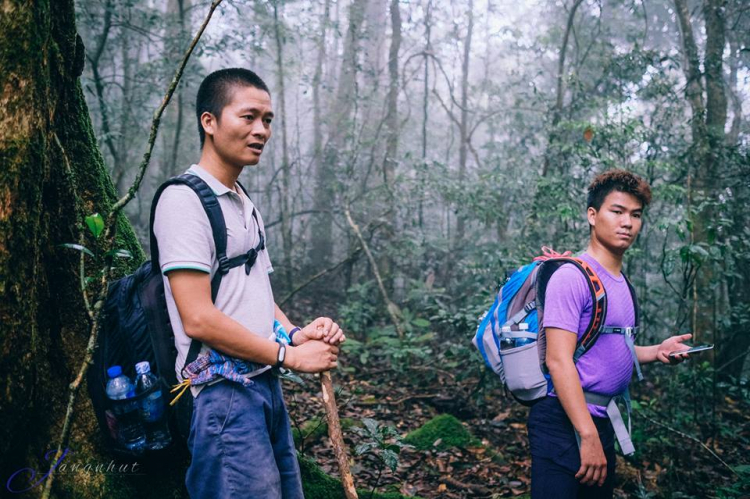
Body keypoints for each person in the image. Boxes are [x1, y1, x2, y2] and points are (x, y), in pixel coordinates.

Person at [153, 68, 344, 498]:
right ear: (209, 121)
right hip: (222, 398)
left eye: (268, 120)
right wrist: (291, 357)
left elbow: (255, 295)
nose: (261, 130)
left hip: (265, 388)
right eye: (248, 117)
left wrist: (295, 334)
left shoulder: (242, 201)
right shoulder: (183, 201)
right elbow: (198, 319)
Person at [529, 170, 693, 498]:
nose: (627, 223)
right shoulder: (571, 277)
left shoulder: (621, 282)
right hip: (564, 423)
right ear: (593, 215)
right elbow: (559, 361)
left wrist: (657, 351)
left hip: (601, 421)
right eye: (616, 211)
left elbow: (613, 349)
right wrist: (586, 435)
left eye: (635, 215)